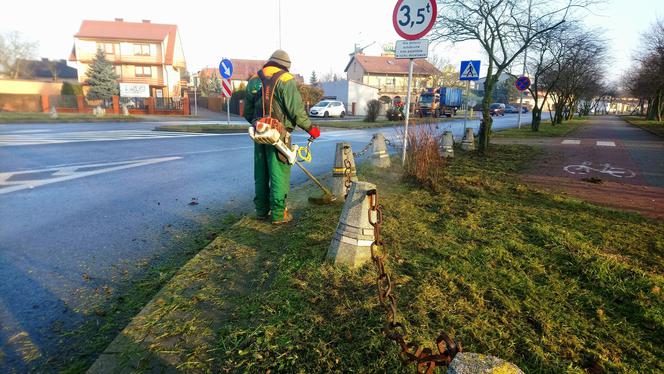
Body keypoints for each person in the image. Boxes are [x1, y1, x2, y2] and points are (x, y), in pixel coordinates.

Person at [245, 50, 320, 224]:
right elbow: (296, 111)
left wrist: (259, 123)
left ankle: (261, 211)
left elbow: (247, 112)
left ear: (270, 62)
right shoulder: (286, 80)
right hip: (279, 135)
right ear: (285, 66)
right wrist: (311, 129)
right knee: (279, 173)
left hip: (258, 134)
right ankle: (279, 214)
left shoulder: (254, 80)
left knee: (261, 173)